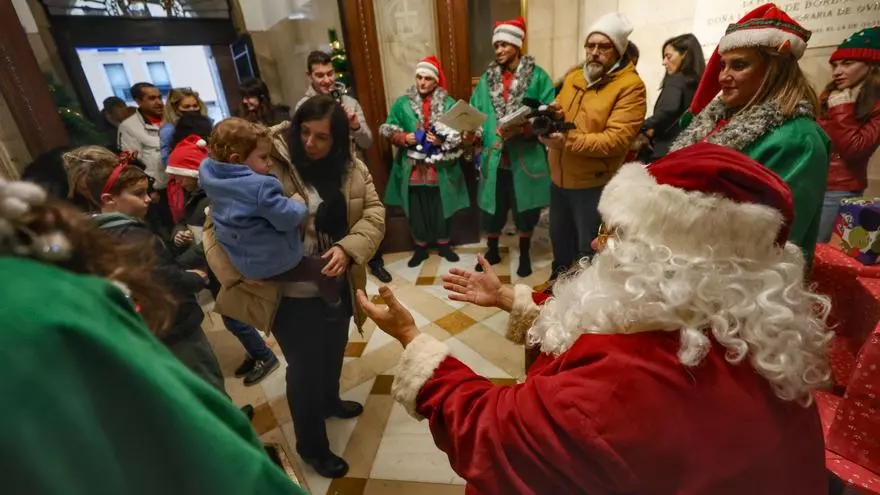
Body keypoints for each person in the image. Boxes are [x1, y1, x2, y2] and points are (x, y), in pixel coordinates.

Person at [358, 142, 832, 494]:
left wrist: (412, 339)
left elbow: (492, 430)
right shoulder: (757, 338)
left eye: (615, 232)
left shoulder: (611, 393)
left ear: (665, 256)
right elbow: (614, 326)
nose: (598, 243)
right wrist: (511, 299)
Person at [0, 180, 306, 494]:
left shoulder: (45, 280)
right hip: (174, 330)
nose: (150, 199)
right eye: (139, 193)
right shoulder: (53, 307)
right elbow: (213, 452)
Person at [203, 94, 385, 479]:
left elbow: (373, 213)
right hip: (288, 294)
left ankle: (330, 400)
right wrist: (240, 272)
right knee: (304, 369)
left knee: (333, 348)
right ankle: (312, 447)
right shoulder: (263, 155)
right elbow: (214, 228)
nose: (310, 143)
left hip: (336, 281)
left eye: (322, 137)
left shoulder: (353, 167)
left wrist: (349, 249)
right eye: (305, 132)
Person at [670, 4, 829, 266]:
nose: (723, 77)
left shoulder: (799, 140)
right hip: (687, 262)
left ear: (775, 69)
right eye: (723, 65)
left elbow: (773, 241)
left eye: (739, 65)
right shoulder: (715, 121)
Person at [66, 146, 224, 393]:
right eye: (139, 194)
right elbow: (162, 275)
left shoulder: (101, 228)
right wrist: (192, 278)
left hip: (154, 326)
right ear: (107, 198)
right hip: (172, 323)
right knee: (207, 385)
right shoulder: (130, 237)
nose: (148, 198)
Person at [167, 127, 282, 386]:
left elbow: (216, 238)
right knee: (233, 316)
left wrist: (180, 263)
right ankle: (255, 351)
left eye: (181, 177)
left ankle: (264, 355)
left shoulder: (215, 198)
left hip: (224, 268)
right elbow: (184, 220)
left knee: (235, 317)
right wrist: (178, 232)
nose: (178, 183)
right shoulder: (194, 197)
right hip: (213, 268)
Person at [540, 12, 647, 280]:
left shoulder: (630, 87)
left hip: (593, 185)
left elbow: (616, 140)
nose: (595, 52)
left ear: (618, 50)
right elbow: (565, 113)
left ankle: (583, 300)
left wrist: (567, 141)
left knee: (589, 252)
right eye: (590, 45)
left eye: (603, 46)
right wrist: (554, 115)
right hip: (559, 179)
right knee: (560, 245)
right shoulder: (575, 77)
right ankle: (554, 291)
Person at [200, 117, 340, 304]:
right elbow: (287, 219)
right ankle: (335, 303)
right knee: (326, 269)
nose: (270, 163)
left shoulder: (212, 178)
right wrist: (297, 203)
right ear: (236, 160)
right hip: (273, 261)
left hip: (245, 262)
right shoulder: (259, 187)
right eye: (263, 157)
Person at [296, 50, 392, 283]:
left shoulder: (349, 102)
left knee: (365, 214)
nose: (327, 80)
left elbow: (367, 141)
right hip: (320, 176)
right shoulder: (303, 107)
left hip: (351, 171)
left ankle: (375, 261)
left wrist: (355, 126)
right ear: (309, 76)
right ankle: (335, 268)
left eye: (330, 73)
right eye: (320, 75)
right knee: (332, 221)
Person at [470, 16, 555, 278]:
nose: (498, 50)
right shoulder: (486, 80)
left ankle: (525, 254)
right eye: (496, 46)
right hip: (494, 157)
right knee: (492, 208)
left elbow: (550, 113)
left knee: (525, 210)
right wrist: (472, 131)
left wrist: (525, 129)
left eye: (504, 45)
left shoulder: (538, 77)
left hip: (524, 157)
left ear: (518, 45)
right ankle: (492, 251)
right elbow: (475, 111)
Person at [381, 55, 470, 266]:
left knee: (442, 208)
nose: (422, 82)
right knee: (416, 210)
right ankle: (420, 249)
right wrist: (404, 137)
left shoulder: (449, 104)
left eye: (427, 78)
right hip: (412, 168)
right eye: (419, 77)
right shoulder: (402, 104)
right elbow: (388, 128)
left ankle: (444, 246)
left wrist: (442, 140)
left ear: (436, 81)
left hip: (441, 168)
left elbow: (461, 135)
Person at [816, 26, 880, 242]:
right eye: (834, 65)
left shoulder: (874, 105)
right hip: (811, 182)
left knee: (817, 251)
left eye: (847, 63)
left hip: (839, 190)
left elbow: (854, 150)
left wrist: (843, 109)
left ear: (870, 65)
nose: (837, 72)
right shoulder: (833, 95)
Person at [636, 33, 705, 162]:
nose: (664, 62)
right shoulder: (698, 84)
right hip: (687, 149)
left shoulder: (676, 80)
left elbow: (668, 110)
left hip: (663, 150)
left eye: (668, 56)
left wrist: (639, 127)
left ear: (684, 54)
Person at [118, 82, 173, 239]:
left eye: (159, 97)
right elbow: (131, 163)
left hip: (178, 183)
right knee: (167, 231)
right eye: (151, 98)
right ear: (138, 101)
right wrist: (148, 190)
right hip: (157, 190)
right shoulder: (129, 127)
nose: (158, 102)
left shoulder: (171, 119)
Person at [160, 88, 208, 167]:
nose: (192, 109)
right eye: (186, 107)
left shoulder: (205, 123)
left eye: (195, 106)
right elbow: (166, 160)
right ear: (175, 108)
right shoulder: (169, 130)